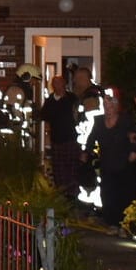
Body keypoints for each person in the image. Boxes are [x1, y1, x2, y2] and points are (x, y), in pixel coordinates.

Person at [81, 86, 136, 230]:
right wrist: (86, 152)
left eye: (110, 104)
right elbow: (91, 138)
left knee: (124, 195)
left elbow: (134, 137)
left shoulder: (126, 121)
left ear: (116, 105)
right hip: (107, 164)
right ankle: (111, 223)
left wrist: (133, 151)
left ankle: (124, 225)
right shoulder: (99, 121)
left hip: (124, 165)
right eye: (105, 105)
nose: (108, 108)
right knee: (108, 194)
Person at [39, 72, 81, 200]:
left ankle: (73, 194)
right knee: (58, 168)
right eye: (55, 84)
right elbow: (43, 116)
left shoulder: (72, 99)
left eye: (59, 83)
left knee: (72, 167)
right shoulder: (50, 101)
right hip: (56, 139)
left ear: (64, 84)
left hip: (71, 138)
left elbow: (79, 116)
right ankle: (61, 193)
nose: (57, 86)